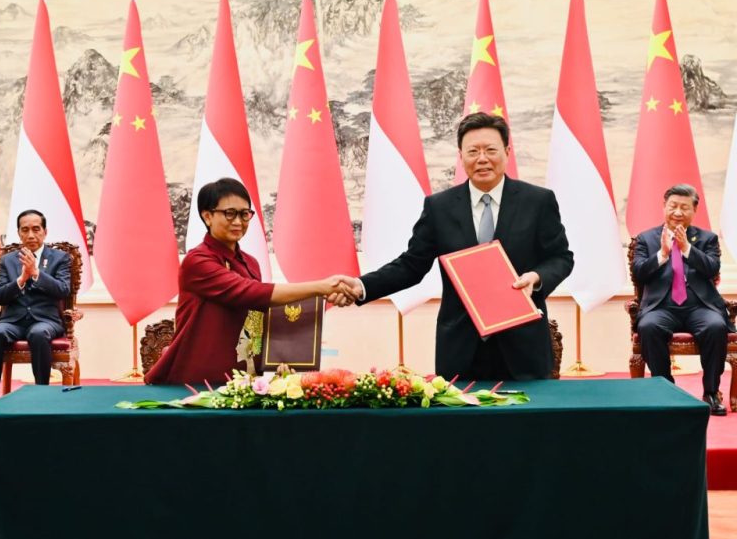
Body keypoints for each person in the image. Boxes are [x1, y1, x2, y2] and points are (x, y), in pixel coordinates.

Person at [334, 112, 573, 381]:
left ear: (507, 151)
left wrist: (536, 278)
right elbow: (412, 265)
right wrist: (362, 286)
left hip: (523, 346)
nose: (482, 158)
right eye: (473, 151)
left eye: (490, 150)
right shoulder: (439, 207)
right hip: (461, 348)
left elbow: (561, 258)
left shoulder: (537, 201)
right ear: (461, 156)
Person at [145, 178, 354, 385]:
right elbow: (249, 293)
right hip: (196, 380)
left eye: (245, 214)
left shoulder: (251, 263)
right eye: (230, 213)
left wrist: (280, 359)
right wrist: (323, 287)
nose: (238, 222)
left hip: (243, 380)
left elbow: (256, 319)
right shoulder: (198, 261)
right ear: (207, 216)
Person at [633, 184, 733, 416]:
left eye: (684, 208)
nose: (678, 212)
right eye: (673, 206)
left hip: (699, 306)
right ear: (664, 207)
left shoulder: (707, 238)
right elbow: (639, 272)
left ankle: (711, 392)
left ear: (694, 210)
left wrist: (687, 248)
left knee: (716, 326)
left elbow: (712, 268)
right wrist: (663, 254)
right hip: (661, 306)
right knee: (649, 326)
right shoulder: (647, 239)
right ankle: (665, 391)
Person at [0, 210, 71, 402]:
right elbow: (0, 296)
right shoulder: (8, 260)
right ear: (19, 233)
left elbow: (63, 290)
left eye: (36, 229)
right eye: (25, 230)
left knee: (38, 333)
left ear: (45, 231)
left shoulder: (59, 258)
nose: (31, 235)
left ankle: (42, 394)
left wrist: (37, 273)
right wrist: (22, 278)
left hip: (46, 320)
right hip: (13, 321)